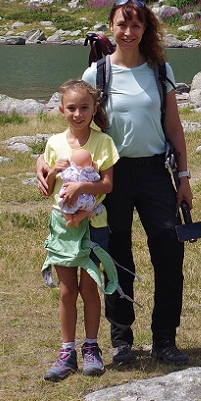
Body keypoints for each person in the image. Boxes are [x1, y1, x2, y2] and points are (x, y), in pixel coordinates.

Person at [80, 0, 193, 367]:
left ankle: (165, 340)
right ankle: (122, 341)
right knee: (115, 256)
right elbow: (77, 128)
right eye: (121, 25)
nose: (128, 33)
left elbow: (174, 127)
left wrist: (184, 177)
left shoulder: (161, 70)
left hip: (155, 172)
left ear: (146, 30)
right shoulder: (97, 74)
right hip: (112, 175)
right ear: (110, 27)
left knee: (169, 253)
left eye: (136, 26)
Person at [35, 79, 118, 381]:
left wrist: (83, 186)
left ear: (95, 109)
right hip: (63, 229)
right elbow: (47, 187)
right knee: (67, 290)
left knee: (89, 287)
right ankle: (66, 351)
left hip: (94, 225)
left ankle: (92, 348)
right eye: (72, 108)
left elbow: (107, 184)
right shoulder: (54, 144)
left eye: (85, 107)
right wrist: (49, 173)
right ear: (61, 110)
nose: (78, 114)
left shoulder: (103, 143)